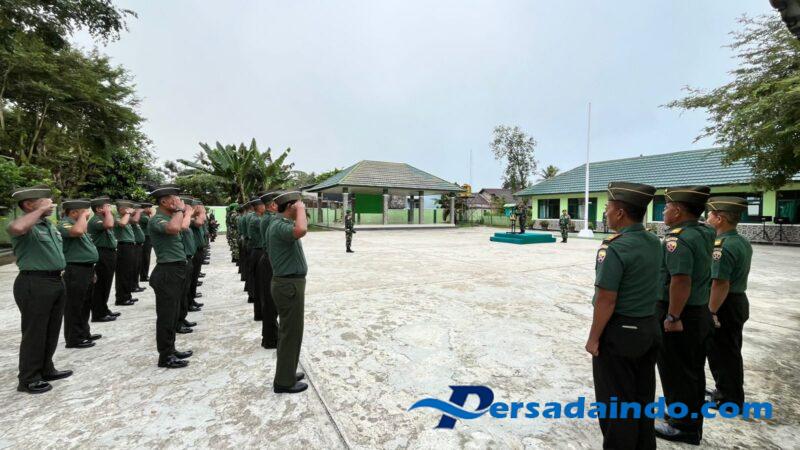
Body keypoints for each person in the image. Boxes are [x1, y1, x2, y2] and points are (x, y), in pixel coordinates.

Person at [585, 182, 661, 449]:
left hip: (620, 333)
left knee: (616, 403)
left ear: (619, 213)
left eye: (607, 208)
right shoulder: (654, 241)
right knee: (642, 396)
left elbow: (606, 299)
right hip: (648, 328)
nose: (605, 213)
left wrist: (593, 338)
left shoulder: (615, 247)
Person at [654, 185, 715, 445]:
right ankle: (683, 416)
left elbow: (680, 280)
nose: (664, 212)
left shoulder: (677, 239)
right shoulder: (705, 231)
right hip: (698, 310)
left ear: (678, 211)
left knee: (677, 370)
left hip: (682, 314)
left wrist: (673, 317)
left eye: (667, 207)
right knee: (692, 370)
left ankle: (683, 427)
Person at [8, 185, 72, 394]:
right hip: (34, 282)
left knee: (51, 329)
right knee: (35, 332)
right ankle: (28, 378)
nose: (51, 204)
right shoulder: (25, 226)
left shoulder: (48, 225)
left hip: (55, 280)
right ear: (29, 204)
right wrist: (40, 210)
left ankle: (46, 368)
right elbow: (17, 228)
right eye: (45, 201)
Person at [705, 196, 753, 410]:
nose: (707, 218)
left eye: (710, 215)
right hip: (737, 301)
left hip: (724, 304)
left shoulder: (722, 246)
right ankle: (726, 390)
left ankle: (729, 399)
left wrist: (711, 312)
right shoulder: (741, 241)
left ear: (719, 218)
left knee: (722, 352)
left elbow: (720, 283)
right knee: (730, 350)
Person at [147, 184, 193, 368]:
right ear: (164, 202)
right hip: (167, 271)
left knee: (173, 314)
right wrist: (181, 210)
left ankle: (171, 350)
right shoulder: (157, 219)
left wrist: (181, 212)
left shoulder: (169, 217)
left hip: (176, 270)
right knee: (166, 316)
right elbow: (174, 228)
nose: (179, 202)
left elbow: (182, 227)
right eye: (175, 199)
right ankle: (165, 356)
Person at [267, 191, 309, 394]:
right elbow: (302, 229)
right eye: (298, 204)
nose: (302, 207)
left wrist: (298, 209)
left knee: (292, 332)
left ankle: (288, 372)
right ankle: (284, 381)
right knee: (290, 334)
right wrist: (300, 210)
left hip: (289, 284)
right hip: (288, 285)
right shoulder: (279, 226)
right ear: (291, 206)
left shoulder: (281, 224)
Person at [58, 199, 101, 349]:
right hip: (74, 269)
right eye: (85, 211)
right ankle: (73, 338)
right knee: (74, 305)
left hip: (86, 269)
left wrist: (92, 269)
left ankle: (84, 333)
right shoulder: (65, 224)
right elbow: (77, 232)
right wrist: (82, 216)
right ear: (74, 212)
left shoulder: (79, 224)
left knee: (85, 304)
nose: (88, 214)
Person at [87, 196, 119, 322]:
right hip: (102, 253)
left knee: (106, 283)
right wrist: (108, 213)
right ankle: (98, 313)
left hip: (108, 253)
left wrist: (108, 213)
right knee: (100, 285)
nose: (110, 208)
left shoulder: (103, 218)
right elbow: (109, 224)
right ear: (99, 209)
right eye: (107, 206)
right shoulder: (95, 220)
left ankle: (104, 309)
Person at [259, 191, 281, 349]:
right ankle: (270, 338)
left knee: (270, 302)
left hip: (267, 259)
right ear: (273, 205)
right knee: (270, 302)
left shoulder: (267, 217)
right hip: (269, 261)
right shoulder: (271, 219)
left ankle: (270, 335)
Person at [176, 196, 198, 334]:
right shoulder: (180, 220)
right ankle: (178, 322)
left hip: (188, 259)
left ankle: (182, 318)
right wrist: (187, 213)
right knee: (181, 294)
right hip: (182, 260)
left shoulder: (186, 219)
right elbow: (183, 227)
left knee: (185, 292)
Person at [113, 200, 137, 306]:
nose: (130, 210)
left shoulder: (125, 217)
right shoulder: (117, 217)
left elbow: (135, 220)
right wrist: (127, 213)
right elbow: (122, 224)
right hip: (123, 246)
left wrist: (132, 212)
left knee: (128, 272)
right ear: (121, 209)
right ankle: (121, 298)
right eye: (127, 208)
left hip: (129, 246)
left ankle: (127, 295)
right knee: (123, 273)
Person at [248, 196, 267, 321]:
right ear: (259, 207)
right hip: (258, 252)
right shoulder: (256, 220)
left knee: (260, 283)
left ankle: (260, 313)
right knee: (260, 284)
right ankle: (260, 313)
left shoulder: (257, 218)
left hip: (257, 251)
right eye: (263, 205)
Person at [131, 203, 146, 293]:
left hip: (139, 245)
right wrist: (138, 212)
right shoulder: (132, 218)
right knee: (134, 267)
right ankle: (133, 286)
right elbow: (136, 220)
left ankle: (136, 284)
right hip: (135, 245)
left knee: (138, 266)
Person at [139, 202, 153, 282]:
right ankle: (144, 276)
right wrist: (151, 215)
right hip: (145, 237)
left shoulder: (146, 215)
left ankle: (145, 275)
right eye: (149, 207)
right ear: (145, 208)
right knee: (145, 257)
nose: (150, 209)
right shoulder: (143, 216)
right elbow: (151, 222)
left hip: (148, 237)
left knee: (147, 257)